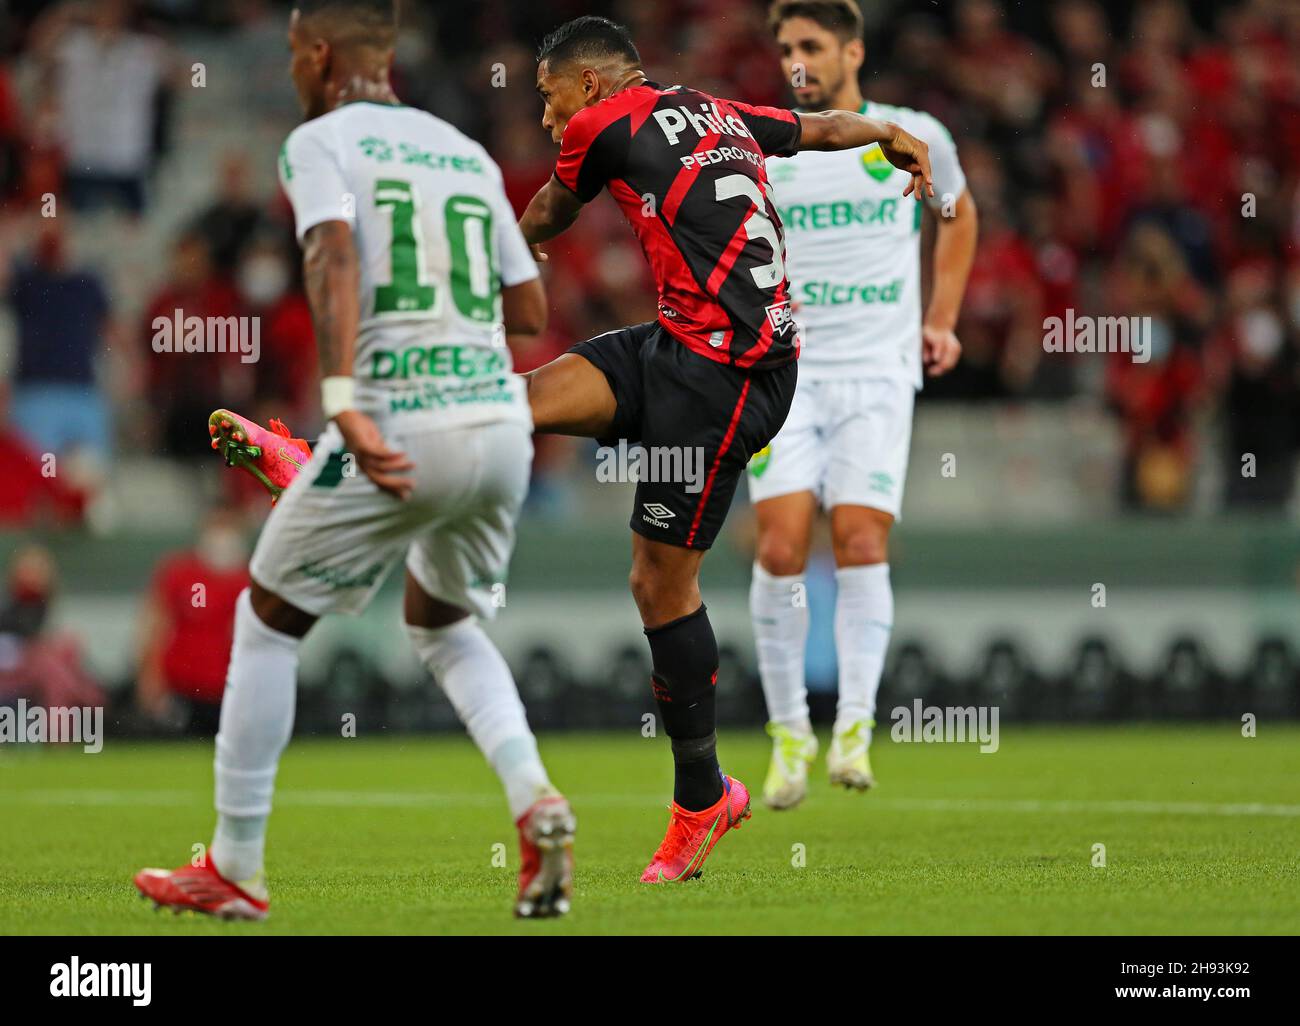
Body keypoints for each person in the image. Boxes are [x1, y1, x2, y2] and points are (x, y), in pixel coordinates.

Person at [134, 0, 573, 921]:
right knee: (442, 623)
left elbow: (331, 253)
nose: (295, 70)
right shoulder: (465, 153)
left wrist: (342, 401)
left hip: (397, 417)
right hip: (499, 429)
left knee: (265, 621)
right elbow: (529, 311)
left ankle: (237, 866)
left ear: (321, 53)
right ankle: (536, 797)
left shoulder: (323, 140)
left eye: (296, 53)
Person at [517, 15, 935, 882]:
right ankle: (333, 459)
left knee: (658, 580)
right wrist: (890, 133)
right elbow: (818, 130)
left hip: (729, 376)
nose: (549, 118)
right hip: (681, 343)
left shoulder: (605, 123)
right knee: (519, 405)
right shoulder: (711, 109)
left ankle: (702, 800)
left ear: (589, 85)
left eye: (549, 96)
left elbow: (551, 212)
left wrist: (486, 250)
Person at [749, 0, 976, 808]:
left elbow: (957, 212)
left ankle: (853, 726)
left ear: (853, 51)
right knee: (778, 549)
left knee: (858, 540)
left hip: (877, 371)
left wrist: (941, 318)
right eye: (784, 48)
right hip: (787, 373)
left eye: (810, 46)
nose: (795, 61)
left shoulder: (911, 134)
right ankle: (787, 735)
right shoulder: (765, 145)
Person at [135, 508, 251, 735]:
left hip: (227, 688)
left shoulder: (248, 579)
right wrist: (150, 677)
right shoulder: (179, 572)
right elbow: (154, 625)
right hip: (181, 684)